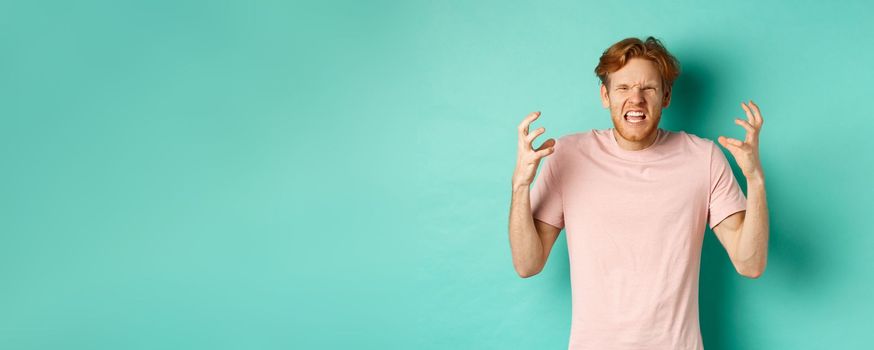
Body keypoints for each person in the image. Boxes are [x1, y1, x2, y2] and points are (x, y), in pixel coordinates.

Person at [507, 37, 770, 350]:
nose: (636, 99)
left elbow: (749, 263)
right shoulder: (567, 155)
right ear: (605, 95)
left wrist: (755, 180)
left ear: (666, 96)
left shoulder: (704, 158)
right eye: (623, 88)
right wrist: (520, 185)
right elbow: (527, 263)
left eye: (648, 89)